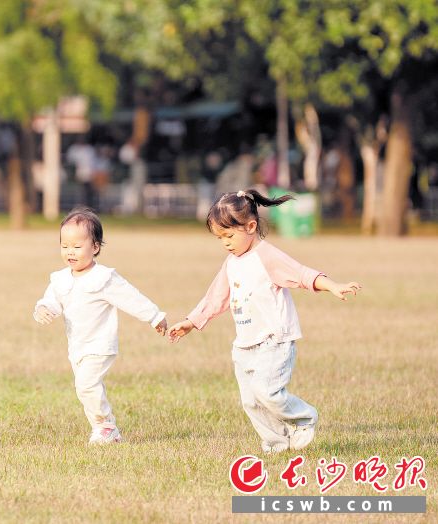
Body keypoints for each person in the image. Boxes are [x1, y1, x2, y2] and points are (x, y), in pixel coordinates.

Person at [168, 189, 361, 453]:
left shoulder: (266, 256)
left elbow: (301, 274)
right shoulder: (232, 261)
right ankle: (277, 443)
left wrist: (333, 286)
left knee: (266, 390)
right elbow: (216, 297)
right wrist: (191, 322)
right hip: (245, 344)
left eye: (229, 235)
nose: (225, 243)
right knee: (251, 401)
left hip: (274, 339)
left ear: (250, 226)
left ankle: (303, 418)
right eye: (219, 238)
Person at [34, 207, 168, 445]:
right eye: (65, 246)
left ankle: (105, 426)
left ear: (95, 247)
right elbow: (51, 300)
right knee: (83, 388)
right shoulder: (60, 279)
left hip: (100, 345)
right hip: (77, 346)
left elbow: (131, 297)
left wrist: (155, 316)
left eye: (77, 246)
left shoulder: (104, 278)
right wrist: (44, 309)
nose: (70, 252)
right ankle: (103, 429)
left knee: (86, 384)